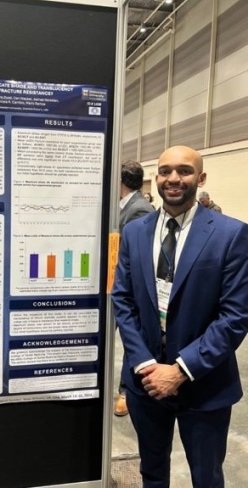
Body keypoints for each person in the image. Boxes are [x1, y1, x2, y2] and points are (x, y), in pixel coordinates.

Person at [112, 145, 248, 487]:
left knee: (206, 476)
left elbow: (234, 316)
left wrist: (181, 370)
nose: (174, 178)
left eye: (184, 171)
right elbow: (123, 301)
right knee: (152, 472)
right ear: (155, 178)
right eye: (165, 170)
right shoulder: (135, 232)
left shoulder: (230, 234)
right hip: (147, 383)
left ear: (200, 178)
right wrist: (144, 364)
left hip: (204, 384)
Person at [114, 160, 154, 417]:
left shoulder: (140, 210)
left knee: (132, 336)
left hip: (131, 286)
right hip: (117, 281)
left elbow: (137, 256)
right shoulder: (126, 206)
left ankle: (126, 391)